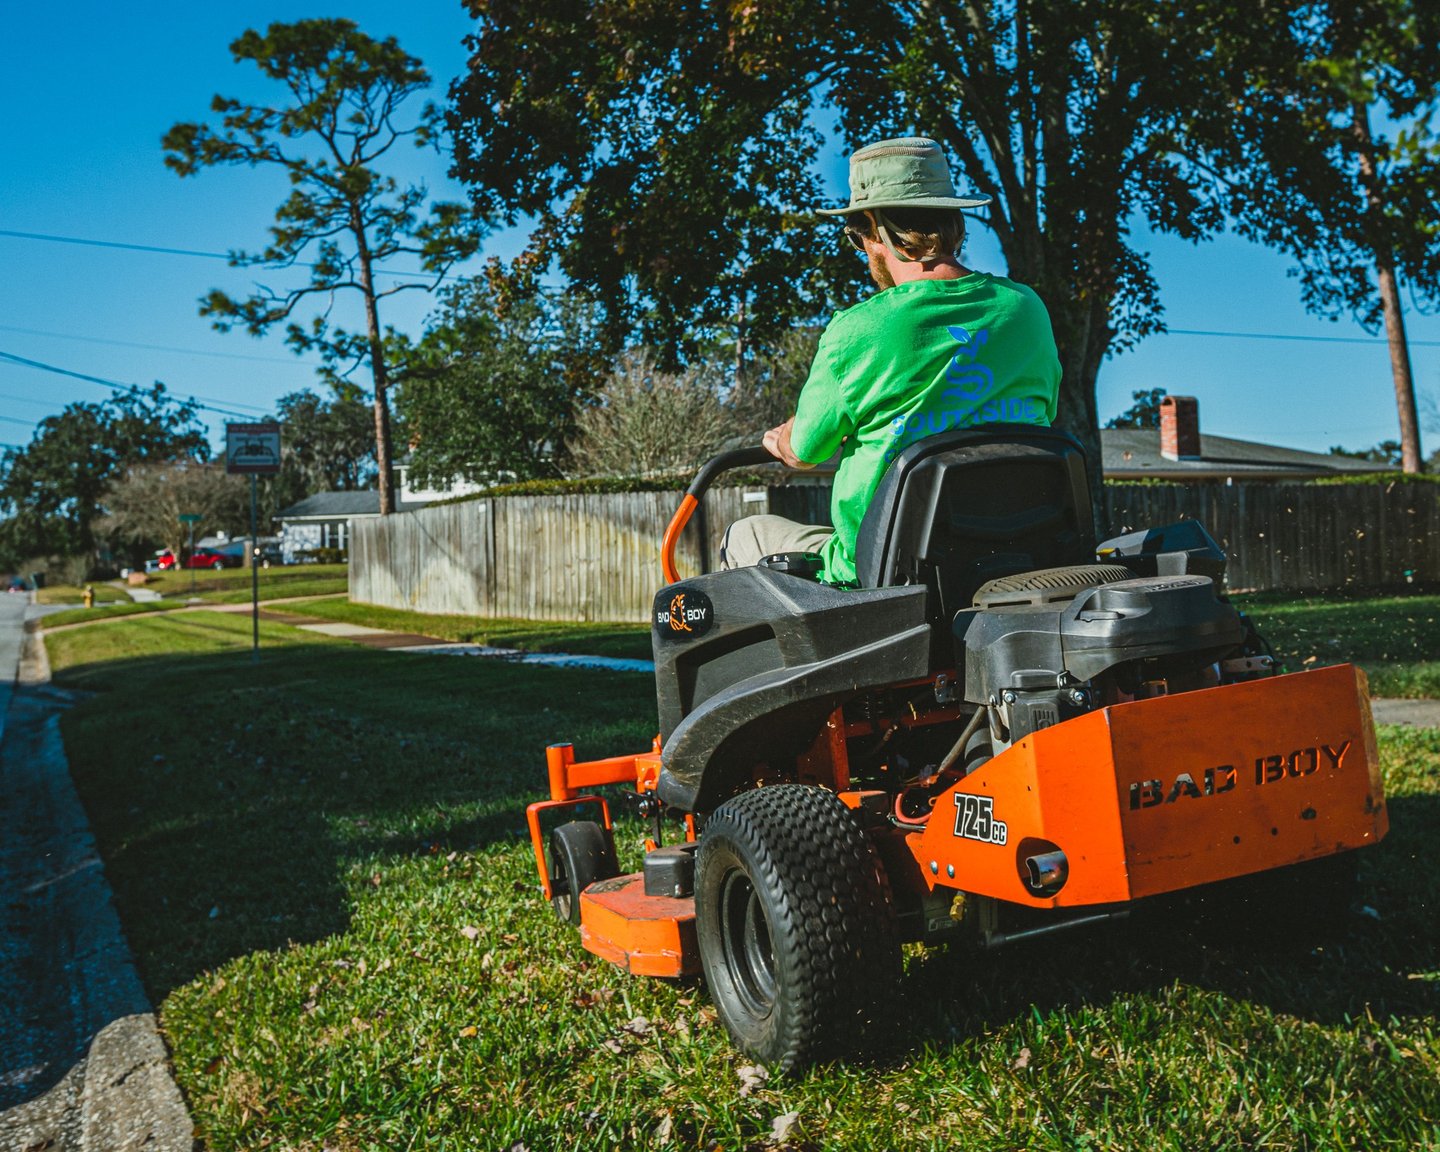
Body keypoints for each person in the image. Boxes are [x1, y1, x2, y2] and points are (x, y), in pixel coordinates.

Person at [719, 136, 1062, 585]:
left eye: (856, 234)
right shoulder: (1027, 310)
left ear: (875, 229)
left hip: (882, 569)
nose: (861, 249)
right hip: (1014, 562)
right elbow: (1040, 416)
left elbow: (804, 452)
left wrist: (783, 439)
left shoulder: (857, 330)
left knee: (744, 534)